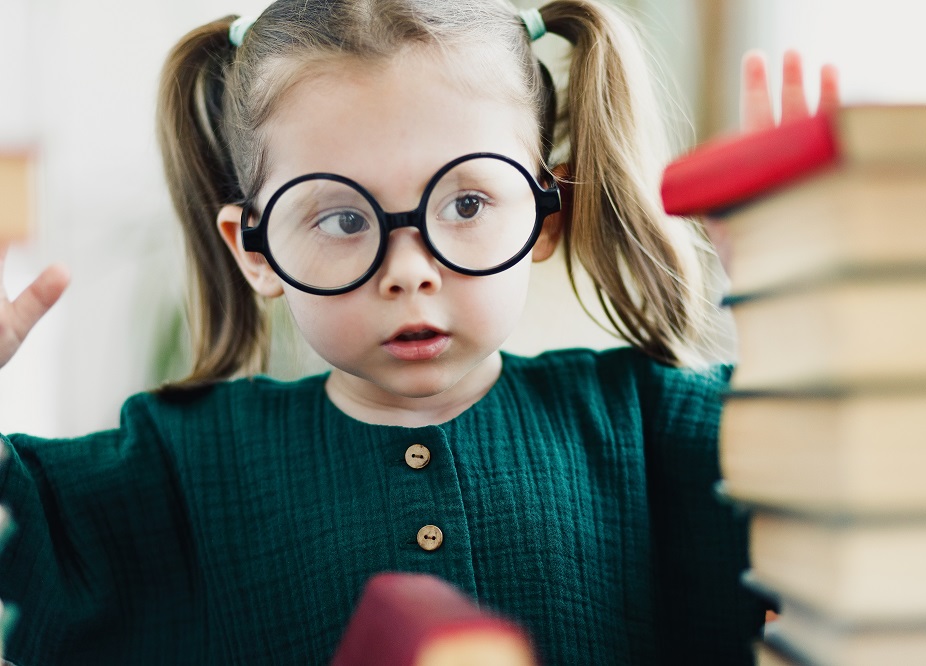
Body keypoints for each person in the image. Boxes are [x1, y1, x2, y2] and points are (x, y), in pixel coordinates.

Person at [0, 1, 837, 663]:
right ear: (253, 249)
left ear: (545, 214)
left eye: (468, 205)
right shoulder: (180, 466)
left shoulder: (647, 423)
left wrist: (798, 299)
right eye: (338, 217)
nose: (409, 269)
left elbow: (844, 468)